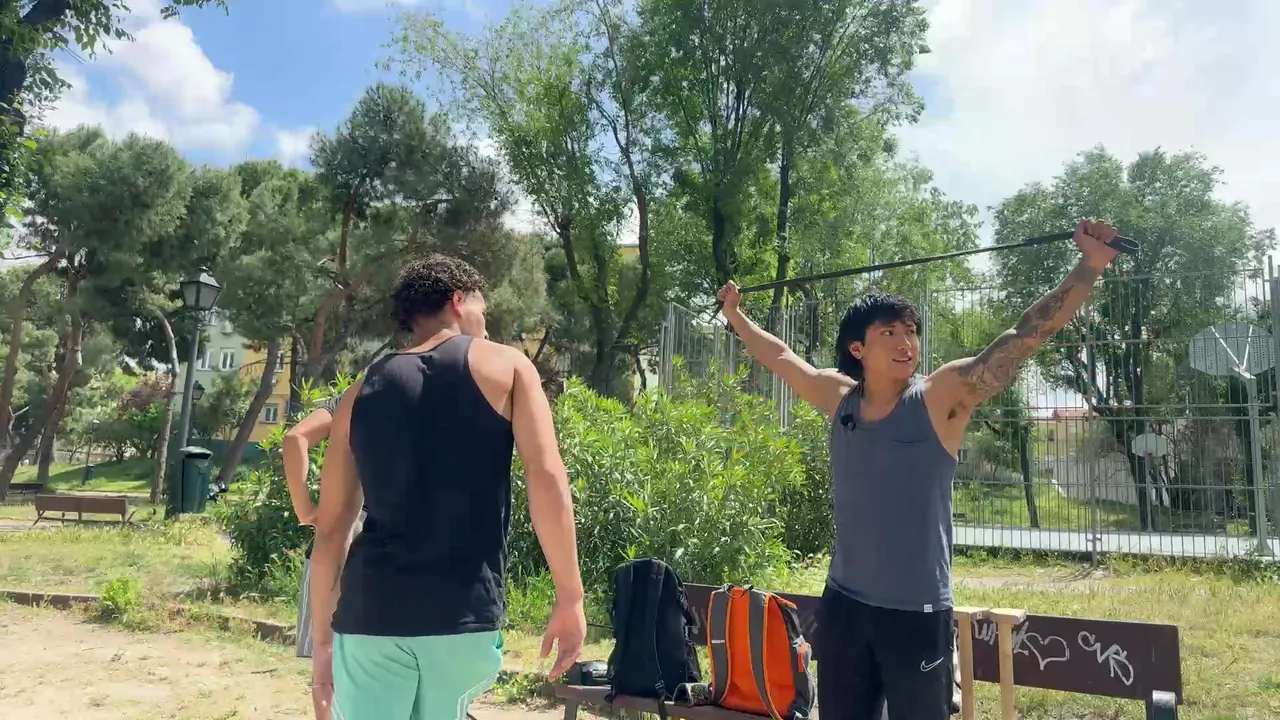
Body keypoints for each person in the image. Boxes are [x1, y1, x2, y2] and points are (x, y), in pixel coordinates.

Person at [717, 219, 1120, 719]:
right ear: (857, 349)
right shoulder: (838, 399)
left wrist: (1089, 266)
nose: (905, 342)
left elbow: (1023, 337)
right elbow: (780, 356)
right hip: (844, 607)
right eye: (889, 332)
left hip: (917, 615)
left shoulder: (939, 397)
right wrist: (735, 315)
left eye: (910, 331)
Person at [308, 254, 586, 720]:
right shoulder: (508, 367)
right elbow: (546, 478)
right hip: (461, 616)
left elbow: (332, 531)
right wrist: (570, 596)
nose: (486, 323)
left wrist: (321, 645)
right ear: (458, 301)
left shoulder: (359, 392)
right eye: (483, 309)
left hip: (369, 615)